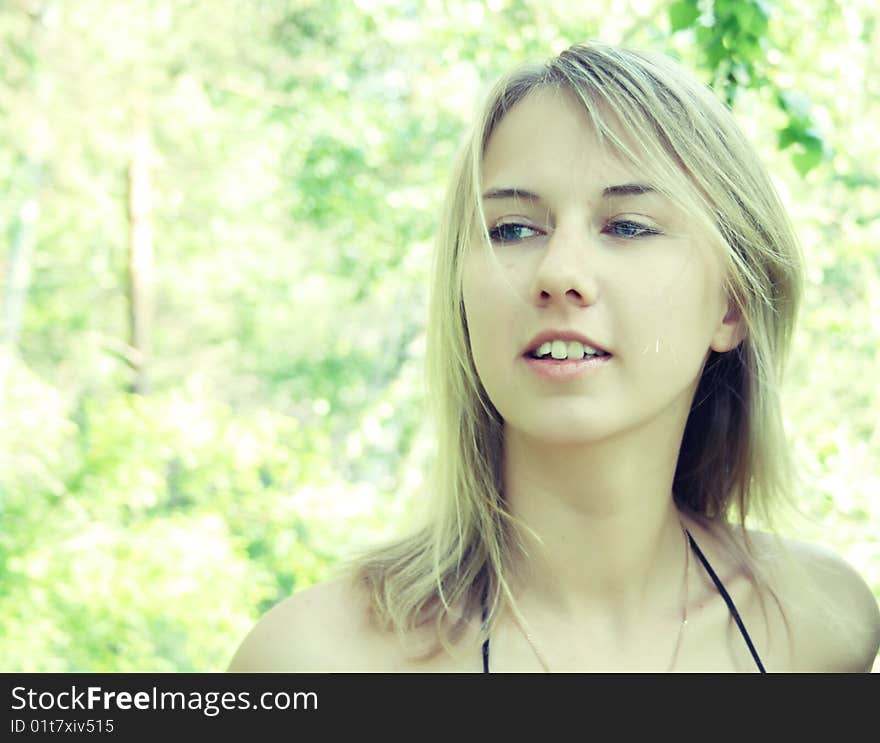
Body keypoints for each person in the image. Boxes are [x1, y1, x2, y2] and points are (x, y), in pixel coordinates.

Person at [228, 42, 880, 672]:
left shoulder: (825, 627)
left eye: (627, 225)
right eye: (512, 228)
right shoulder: (313, 662)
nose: (559, 271)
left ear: (731, 307)